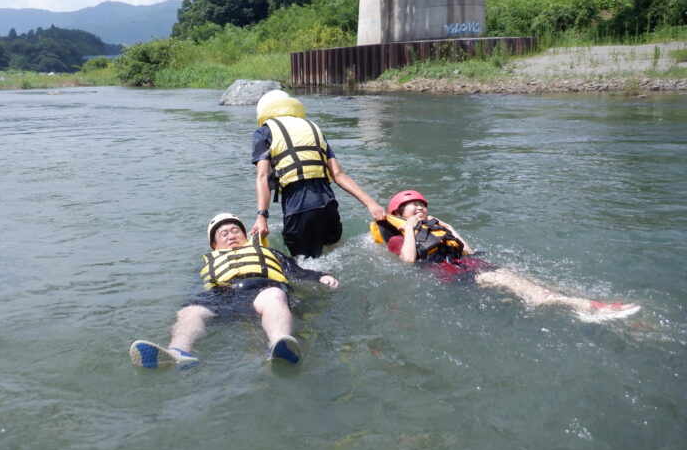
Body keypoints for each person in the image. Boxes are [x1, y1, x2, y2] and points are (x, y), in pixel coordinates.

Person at [372, 189, 641, 321]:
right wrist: (408, 230)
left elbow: (468, 251)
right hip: (452, 276)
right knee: (519, 286)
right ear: (398, 214)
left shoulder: (437, 227)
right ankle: (588, 308)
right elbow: (408, 261)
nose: (419, 208)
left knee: (528, 282)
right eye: (411, 207)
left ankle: (581, 303)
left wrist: (451, 229)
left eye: (421, 205)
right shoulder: (397, 237)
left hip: (469, 264)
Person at [130, 213, 339, 368]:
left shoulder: (266, 252)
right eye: (224, 234)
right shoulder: (207, 261)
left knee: (276, 295)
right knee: (190, 311)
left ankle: (279, 345)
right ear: (214, 244)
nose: (231, 235)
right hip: (221, 295)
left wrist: (320, 276)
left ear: (245, 235)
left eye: (235, 231)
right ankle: (177, 353)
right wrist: (193, 305)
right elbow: (197, 288)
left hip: (261, 288)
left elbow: (296, 270)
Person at [250, 90, 385, 258]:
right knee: (334, 253)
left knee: (304, 267)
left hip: (298, 207)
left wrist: (262, 216)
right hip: (328, 203)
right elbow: (338, 174)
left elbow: (262, 176)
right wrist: (371, 204)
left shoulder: (264, 132)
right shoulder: (313, 129)